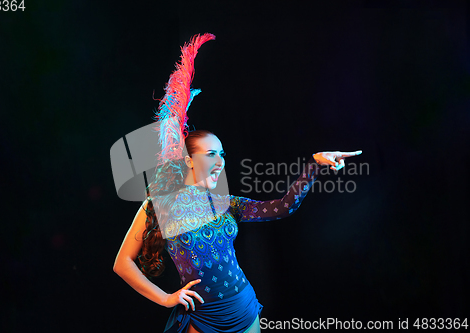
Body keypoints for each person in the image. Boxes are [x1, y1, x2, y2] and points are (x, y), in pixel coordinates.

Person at [112, 33, 362, 333]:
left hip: (245, 310)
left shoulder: (225, 202)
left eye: (223, 154)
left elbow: (282, 207)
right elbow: (122, 262)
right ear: (189, 159)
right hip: (204, 319)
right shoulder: (160, 203)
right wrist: (166, 298)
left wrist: (314, 166)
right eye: (211, 154)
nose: (221, 161)